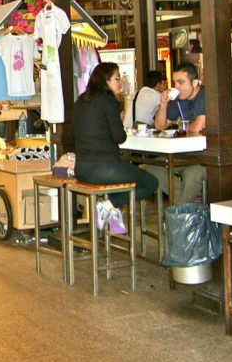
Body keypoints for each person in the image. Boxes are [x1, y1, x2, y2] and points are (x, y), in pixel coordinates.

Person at [71, 62, 158, 234]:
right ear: (105, 81)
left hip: (81, 169)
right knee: (150, 183)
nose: (120, 82)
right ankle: (107, 206)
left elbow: (74, 131)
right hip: (104, 169)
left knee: (118, 175)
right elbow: (120, 137)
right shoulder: (109, 101)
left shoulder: (81, 100)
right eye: (117, 78)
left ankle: (112, 214)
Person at [150, 62, 207, 204]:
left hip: (208, 153)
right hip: (188, 152)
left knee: (191, 174)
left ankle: (182, 207)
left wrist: (184, 127)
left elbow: (198, 128)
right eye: (174, 82)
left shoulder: (205, 95)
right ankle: (185, 202)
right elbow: (160, 125)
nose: (176, 87)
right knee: (153, 166)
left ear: (194, 82)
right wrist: (163, 104)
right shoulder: (178, 100)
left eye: (181, 82)